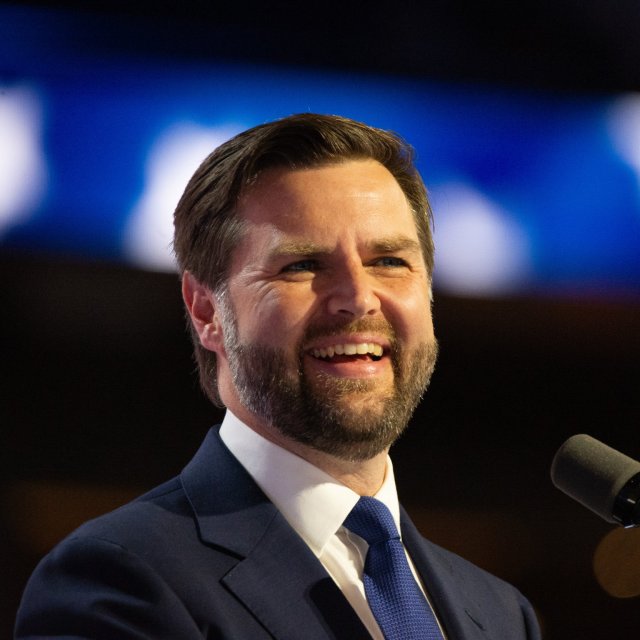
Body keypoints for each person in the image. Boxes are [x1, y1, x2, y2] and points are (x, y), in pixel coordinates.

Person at [15, 113, 541, 639]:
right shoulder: (120, 582)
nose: (358, 298)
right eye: (302, 265)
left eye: (388, 260)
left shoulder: (501, 614)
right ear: (206, 312)